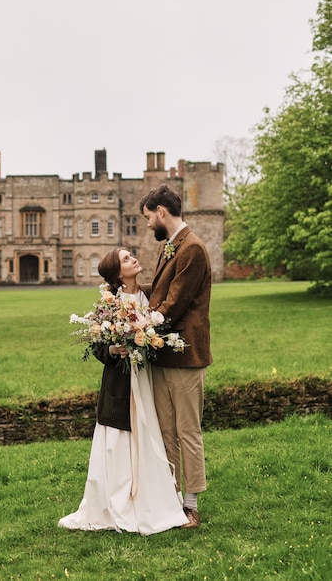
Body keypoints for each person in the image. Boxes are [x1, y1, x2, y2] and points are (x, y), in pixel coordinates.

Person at [58, 248, 188, 535]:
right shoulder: (109, 303)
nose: (134, 259)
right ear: (117, 273)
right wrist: (113, 349)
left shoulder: (149, 294)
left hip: (147, 378)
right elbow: (96, 343)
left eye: (132, 256)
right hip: (119, 384)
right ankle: (120, 500)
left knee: (151, 432)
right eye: (127, 259)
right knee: (119, 439)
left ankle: (153, 496)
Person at [139, 184, 213, 529]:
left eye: (148, 217)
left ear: (161, 212)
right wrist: (123, 294)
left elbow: (174, 304)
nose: (148, 224)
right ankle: (170, 501)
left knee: (187, 432)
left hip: (186, 355)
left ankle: (191, 505)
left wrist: (140, 330)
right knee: (166, 431)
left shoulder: (193, 248)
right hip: (162, 355)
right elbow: (158, 294)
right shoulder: (170, 247)